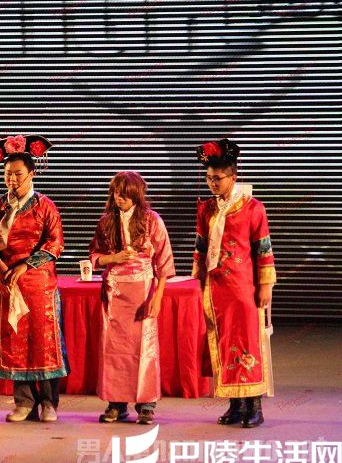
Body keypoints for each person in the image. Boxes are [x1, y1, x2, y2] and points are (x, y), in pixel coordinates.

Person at [0, 135, 68, 423]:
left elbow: (55, 243)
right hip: (6, 283)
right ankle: (24, 402)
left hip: (38, 286)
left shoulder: (45, 206)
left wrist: (25, 266)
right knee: (15, 343)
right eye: (8, 174)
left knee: (43, 344)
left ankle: (49, 403)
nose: (12, 179)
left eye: (18, 174)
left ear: (32, 174)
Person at [192, 139, 276, 428]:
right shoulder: (206, 209)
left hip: (243, 289)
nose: (212, 183)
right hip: (215, 289)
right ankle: (235, 404)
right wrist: (197, 278)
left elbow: (263, 250)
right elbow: (200, 247)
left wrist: (265, 285)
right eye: (208, 178)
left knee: (247, 342)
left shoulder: (253, 208)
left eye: (218, 178)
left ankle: (254, 406)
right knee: (223, 343)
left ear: (233, 176)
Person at [88, 171, 175, 425]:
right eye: (116, 193)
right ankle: (116, 403)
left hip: (142, 291)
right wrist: (113, 258)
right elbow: (94, 257)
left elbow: (164, 263)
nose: (120, 199)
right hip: (114, 293)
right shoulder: (106, 221)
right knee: (114, 350)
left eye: (125, 194)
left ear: (136, 195)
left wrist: (157, 298)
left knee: (143, 349)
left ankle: (146, 404)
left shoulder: (152, 220)